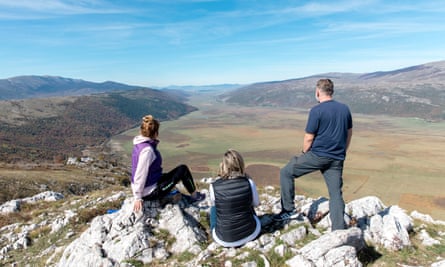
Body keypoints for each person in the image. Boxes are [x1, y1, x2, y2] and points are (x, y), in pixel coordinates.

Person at [274, 78, 353, 231]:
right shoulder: (345, 109)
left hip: (317, 155)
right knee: (336, 194)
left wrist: (304, 153)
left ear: (318, 92)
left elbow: (309, 137)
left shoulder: (316, 110)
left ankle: (288, 210)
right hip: (337, 158)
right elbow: (349, 133)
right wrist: (343, 151)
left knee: (286, 172)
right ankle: (338, 230)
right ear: (332, 91)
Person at [131, 115, 205, 212]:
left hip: (150, 184)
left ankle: (192, 194)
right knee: (182, 170)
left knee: (173, 174)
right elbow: (140, 174)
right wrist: (138, 197)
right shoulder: (147, 150)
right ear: (156, 133)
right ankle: (195, 197)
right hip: (150, 192)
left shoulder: (139, 144)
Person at [209, 149, 261, 247]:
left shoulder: (214, 186)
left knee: (214, 208)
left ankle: (213, 229)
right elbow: (256, 204)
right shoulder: (249, 182)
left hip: (224, 239)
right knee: (247, 201)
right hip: (251, 233)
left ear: (224, 165)